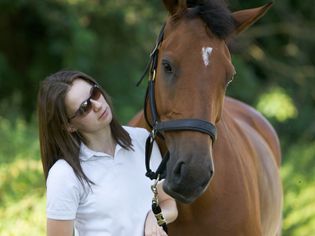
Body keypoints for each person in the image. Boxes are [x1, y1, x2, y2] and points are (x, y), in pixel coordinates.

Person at [37, 70, 178, 236]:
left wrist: (155, 217)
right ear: (69, 126)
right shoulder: (65, 174)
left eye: (94, 93)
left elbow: (169, 203)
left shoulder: (143, 141)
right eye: (84, 108)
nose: (97, 105)